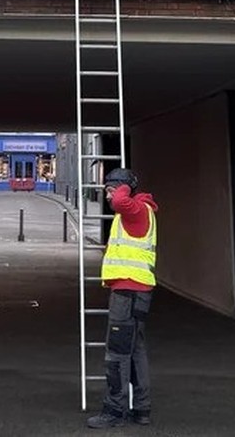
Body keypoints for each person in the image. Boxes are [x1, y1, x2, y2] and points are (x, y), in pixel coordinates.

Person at [89, 166, 157, 429]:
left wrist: (122, 187)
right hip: (138, 291)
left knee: (117, 352)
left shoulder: (135, 211)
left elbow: (118, 200)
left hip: (127, 293)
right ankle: (142, 408)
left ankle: (114, 410)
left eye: (109, 190)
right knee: (135, 349)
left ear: (123, 189)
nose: (107, 197)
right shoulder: (138, 212)